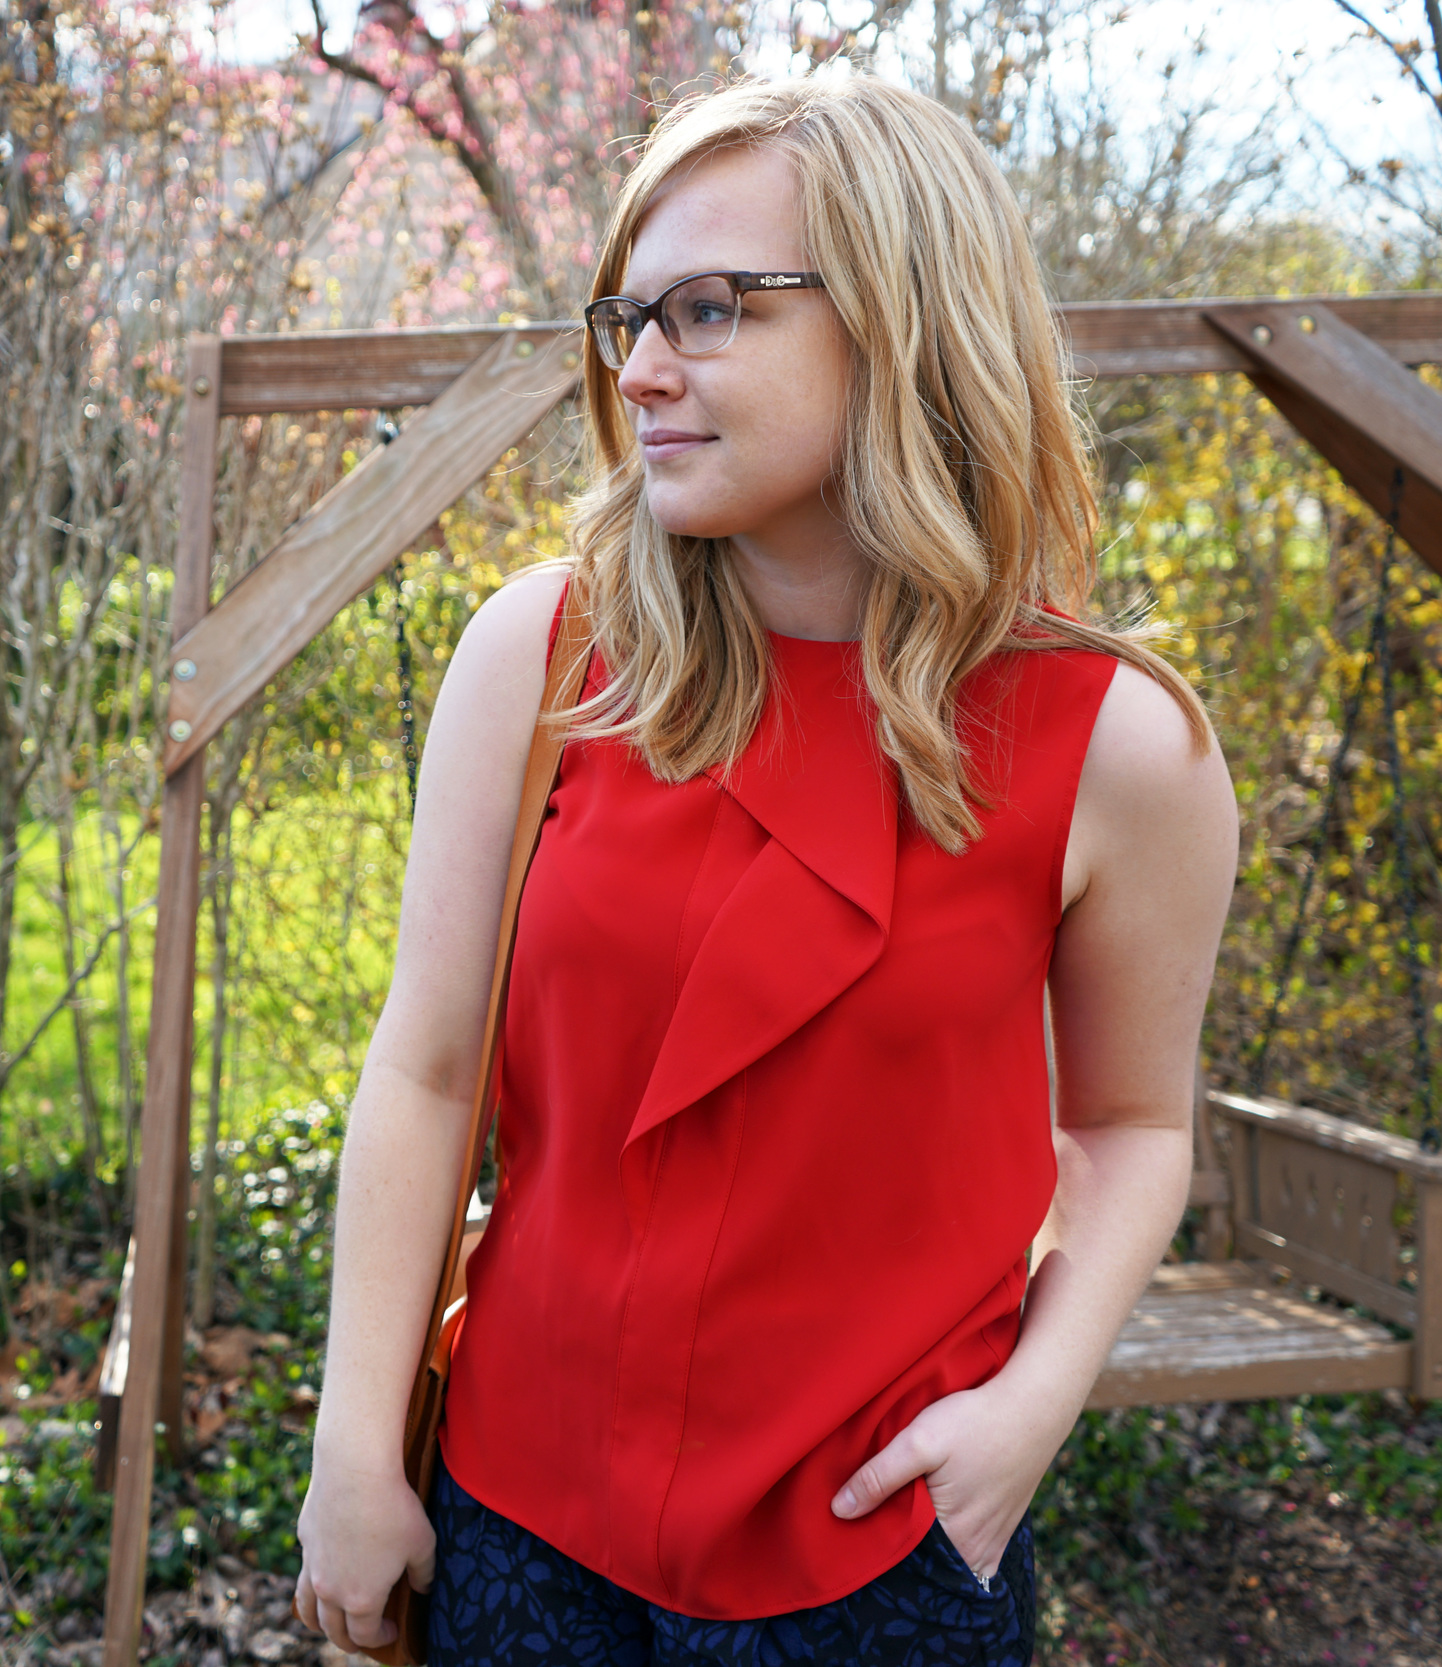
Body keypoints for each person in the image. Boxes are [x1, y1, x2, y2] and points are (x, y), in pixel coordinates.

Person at [293, 72, 1238, 1666]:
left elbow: (1134, 1125)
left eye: (715, 308)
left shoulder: (1119, 748)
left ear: (905, 318)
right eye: (631, 315)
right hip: (519, 1532)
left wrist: (1031, 1412)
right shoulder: (544, 657)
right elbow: (425, 1064)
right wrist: (354, 1448)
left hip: (881, 1561)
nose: (643, 370)